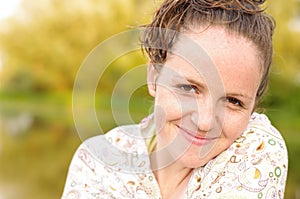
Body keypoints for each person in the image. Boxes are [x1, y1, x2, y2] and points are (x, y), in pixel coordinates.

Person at [62, 0, 288, 198]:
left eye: (233, 101)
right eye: (189, 88)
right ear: (154, 76)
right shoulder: (97, 163)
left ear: (253, 109)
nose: (205, 122)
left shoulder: (259, 150)